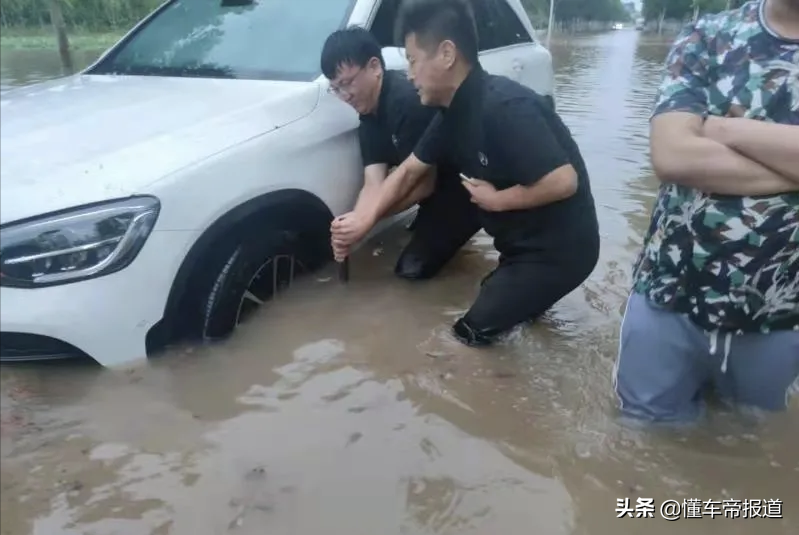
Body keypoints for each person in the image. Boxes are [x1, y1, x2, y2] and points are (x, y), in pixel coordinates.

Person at [347, 0, 600, 346]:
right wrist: (364, 219)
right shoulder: (451, 114)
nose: (408, 74)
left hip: (558, 252)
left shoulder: (505, 108)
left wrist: (499, 200)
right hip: (519, 245)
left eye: (412, 60)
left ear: (446, 54)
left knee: (467, 337)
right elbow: (408, 172)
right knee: (499, 303)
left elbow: (563, 180)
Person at [614, 0, 799, 424]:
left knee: (751, 446)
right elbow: (674, 156)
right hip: (669, 297)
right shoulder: (709, 36)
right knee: (641, 444)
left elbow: (692, 146)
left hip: (782, 316)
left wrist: (726, 127)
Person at [322, 26, 481, 280]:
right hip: (431, 189)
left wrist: (366, 220)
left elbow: (423, 185)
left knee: (410, 271)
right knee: (408, 244)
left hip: (463, 189)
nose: (345, 96)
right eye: (336, 88)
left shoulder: (408, 101)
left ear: (374, 67)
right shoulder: (367, 115)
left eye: (348, 83)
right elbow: (373, 183)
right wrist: (353, 224)